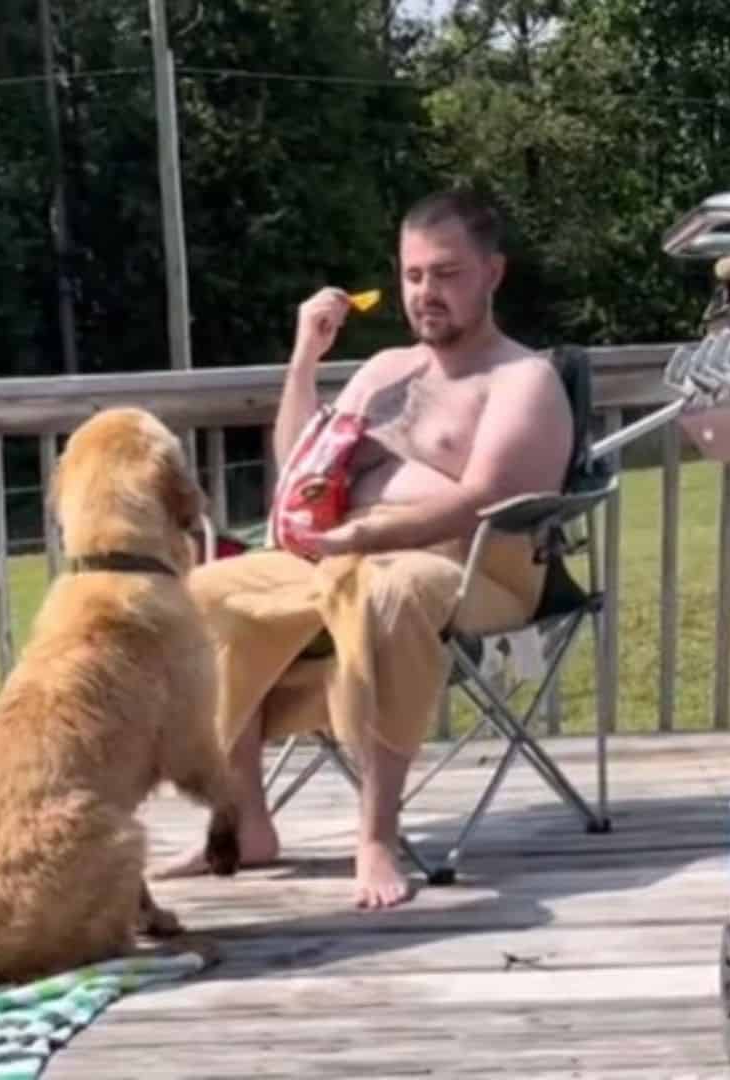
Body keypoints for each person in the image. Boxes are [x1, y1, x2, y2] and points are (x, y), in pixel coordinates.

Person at [154, 188, 573, 909]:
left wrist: (369, 534)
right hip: (342, 557)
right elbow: (303, 470)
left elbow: (486, 503)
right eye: (413, 276)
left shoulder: (520, 378)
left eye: (446, 274)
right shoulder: (384, 370)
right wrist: (304, 361)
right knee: (203, 595)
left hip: (472, 566)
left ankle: (375, 834)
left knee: (385, 591)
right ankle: (246, 822)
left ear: (492, 274)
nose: (425, 293)